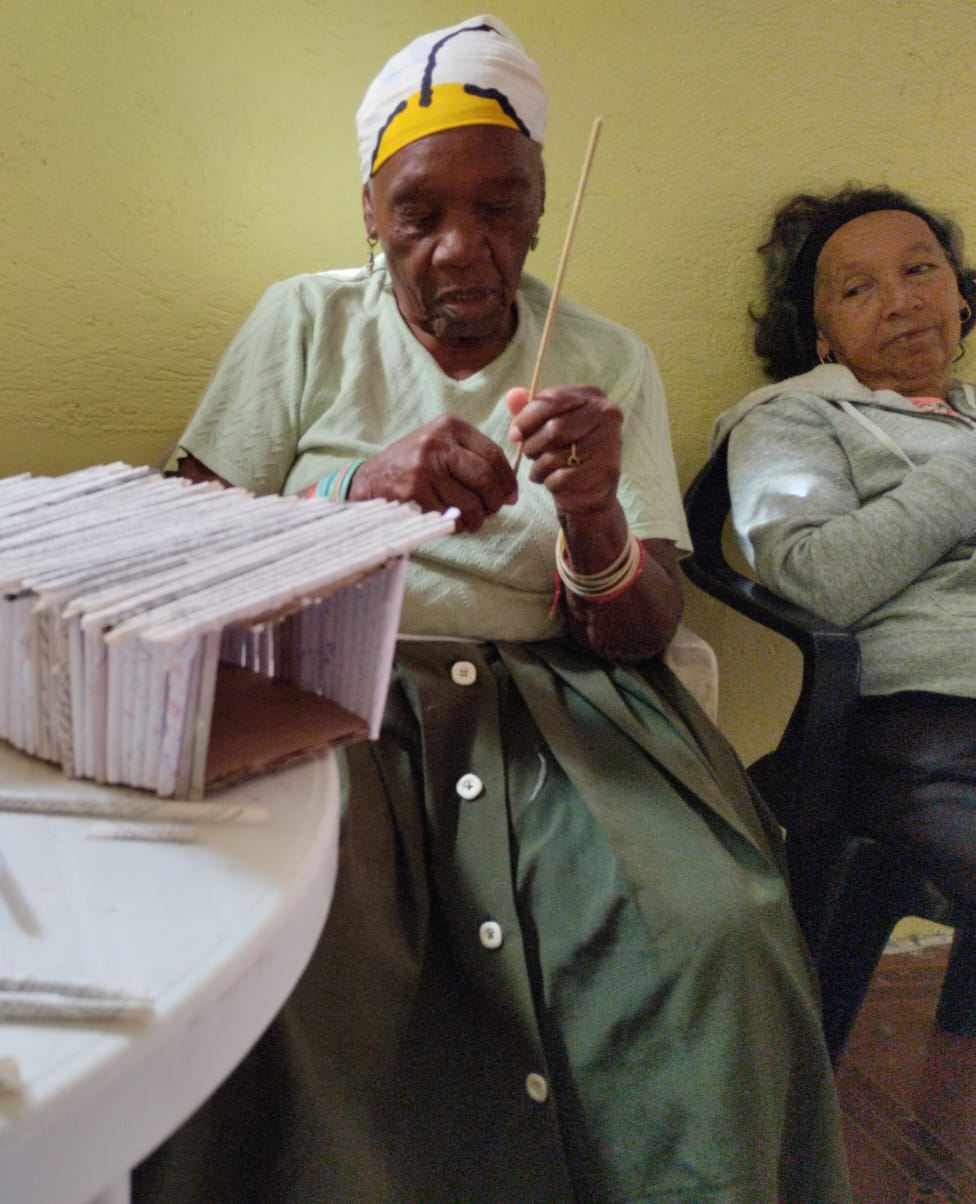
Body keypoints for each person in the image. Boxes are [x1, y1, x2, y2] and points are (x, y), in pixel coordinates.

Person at [132, 16, 849, 1204]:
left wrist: (595, 516)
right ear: (369, 211)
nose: (462, 248)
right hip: (334, 698)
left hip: (561, 712)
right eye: (419, 213)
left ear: (540, 206)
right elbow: (174, 548)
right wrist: (353, 496)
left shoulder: (605, 360)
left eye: (501, 207)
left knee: (715, 930)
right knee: (287, 957)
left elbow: (640, 625)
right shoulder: (303, 324)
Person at [713, 184, 976, 916]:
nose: (901, 301)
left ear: (961, 296)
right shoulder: (793, 418)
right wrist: (962, 480)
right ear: (821, 337)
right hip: (933, 717)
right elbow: (815, 577)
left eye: (920, 270)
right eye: (858, 289)